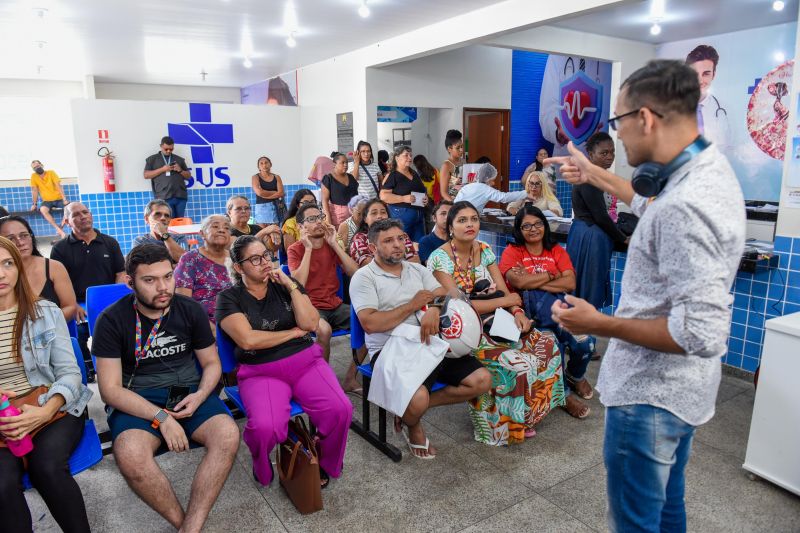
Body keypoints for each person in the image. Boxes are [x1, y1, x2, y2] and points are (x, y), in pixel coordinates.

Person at [547, 59, 746, 532]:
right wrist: (592, 175)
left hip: (650, 397)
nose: (616, 138)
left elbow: (699, 333)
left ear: (647, 118)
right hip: (683, 392)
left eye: (618, 122)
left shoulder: (687, 205)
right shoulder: (703, 170)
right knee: (667, 509)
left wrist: (599, 324)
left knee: (636, 523)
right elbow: (648, 203)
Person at [92, 244, 240, 532]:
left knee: (228, 434)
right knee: (131, 455)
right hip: (136, 398)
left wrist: (200, 396)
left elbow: (211, 364)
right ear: (130, 282)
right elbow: (110, 390)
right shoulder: (111, 320)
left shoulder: (190, 309)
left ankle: (192, 527)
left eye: (168, 277)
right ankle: (181, 523)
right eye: (150, 280)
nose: (163, 287)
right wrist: (162, 419)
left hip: (188, 392)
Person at [350, 218, 491, 458]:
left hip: (430, 342)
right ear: (373, 248)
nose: (398, 245)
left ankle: (407, 411)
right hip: (391, 349)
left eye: (400, 239)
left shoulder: (417, 269)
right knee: (418, 398)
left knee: (482, 380)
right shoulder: (364, 278)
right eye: (388, 241)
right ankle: (413, 422)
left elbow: (441, 295)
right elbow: (371, 324)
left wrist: (434, 310)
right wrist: (411, 306)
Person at [217, 236, 352, 486]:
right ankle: (261, 461)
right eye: (255, 259)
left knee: (340, 410)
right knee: (266, 428)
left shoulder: (284, 285)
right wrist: (292, 333)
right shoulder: (229, 298)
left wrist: (291, 284)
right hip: (260, 371)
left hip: (306, 363)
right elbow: (248, 340)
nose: (264, 263)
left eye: (266, 256)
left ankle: (324, 460)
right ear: (238, 267)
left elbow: (311, 324)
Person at [427, 201, 565, 445]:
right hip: (461, 331)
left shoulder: (485, 249)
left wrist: (517, 311)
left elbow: (503, 290)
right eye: (462, 220)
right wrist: (506, 299)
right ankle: (502, 427)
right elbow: (459, 308)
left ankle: (527, 415)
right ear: (450, 227)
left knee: (546, 344)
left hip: (494, 320)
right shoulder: (440, 259)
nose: (470, 224)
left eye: (474, 219)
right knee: (515, 362)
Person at [0, 236, 93, 533]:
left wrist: (43, 411)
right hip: (3, 416)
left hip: (51, 407)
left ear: (18, 267)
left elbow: (69, 373)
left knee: (47, 468)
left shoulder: (45, 312)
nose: (1, 274)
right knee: (1, 483)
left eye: (7, 264)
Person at [499, 205, 592, 419]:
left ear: (545, 225)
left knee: (586, 342)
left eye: (538, 223)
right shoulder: (512, 252)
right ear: (519, 230)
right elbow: (518, 281)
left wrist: (533, 282)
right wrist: (552, 274)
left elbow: (569, 282)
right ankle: (564, 395)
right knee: (553, 350)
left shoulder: (556, 250)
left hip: (561, 310)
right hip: (531, 317)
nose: (533, 229)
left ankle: (575, 375)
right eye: (526, 226)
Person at [51, 202, 126, 379]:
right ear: (67, 221)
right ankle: (88, 369)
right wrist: (73, 305)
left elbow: (120, 273)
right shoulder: (60, 249)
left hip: (106, 301)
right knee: (82, 330)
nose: (83, 216)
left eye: (85, 212)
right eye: (76, 214)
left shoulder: (109, 242)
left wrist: (115, 302)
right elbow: (57, 282)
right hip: (77, 302)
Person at [287, 204, 359, 362]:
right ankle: (323, 378)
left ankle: (351, 375)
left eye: (320, 217)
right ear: (301, 226)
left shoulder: (330, 245)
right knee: (324, 331)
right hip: (310, 306)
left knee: (368, 320)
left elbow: (355, 272)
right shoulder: (295, 249)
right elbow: (298, 284)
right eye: (312, 219)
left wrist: (334, 244)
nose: (319, 222)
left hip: (335, 305)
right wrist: (308, 249)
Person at [567, 132, 628, 309]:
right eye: (604, 153)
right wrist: (623, 238)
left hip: (590, 234)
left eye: (612, 152)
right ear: (591, 155)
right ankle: (581, 332)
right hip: (589, 236)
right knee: (587, 286)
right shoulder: (589, 177)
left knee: (587, 285)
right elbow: (600, 215)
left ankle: (583, 331)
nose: (609, 157)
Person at [0, 216, 77, 321]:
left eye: (24, 235)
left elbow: (70, 307)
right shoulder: (2, 275)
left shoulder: (54, 267)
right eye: (10, 238)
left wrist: (42, 326)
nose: (20, 243)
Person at [539, 54, 611, 159]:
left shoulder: (609, 58)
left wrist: (600, 133)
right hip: (566, 155)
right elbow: (547, 108)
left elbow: (612, 108)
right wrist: (558, 132)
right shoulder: (556, 56)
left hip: (598, 156)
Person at [174, 215, 233, 330]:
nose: (222, 230)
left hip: (237, 320)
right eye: (215, 226)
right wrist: (211, 330)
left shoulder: (235, 258)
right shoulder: (190, 259)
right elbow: (183, 302)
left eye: (226, 228)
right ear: (202, 234)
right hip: (203, 324)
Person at [685, 44, 731, 153]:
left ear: (713, 75)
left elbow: (729, 147)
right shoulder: (672, 109)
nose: (700, 80)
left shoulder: (724, 111)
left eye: (706, 74)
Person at [350, 198, 419, 266]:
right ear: (365, 219)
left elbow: (415, 262)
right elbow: (367, 264)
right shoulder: (360, 239)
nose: (379, 216)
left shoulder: (401, 235)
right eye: (374, 213)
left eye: (383, 212)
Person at [380, 145, 428, 242]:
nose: (410, 158)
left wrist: (425, 198)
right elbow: (383, 196)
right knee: (403, 246)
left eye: (411, 155)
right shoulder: (392, 175)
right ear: (397, 158)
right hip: (402, 217)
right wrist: (403, 198)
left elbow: (422, 190)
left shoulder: (414, 173)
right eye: (406, 155)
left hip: (418, 217)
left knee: (419, 246)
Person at [143, 136, 192, 218]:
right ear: (161, 146)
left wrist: (180, 170)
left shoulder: (179, 159)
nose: (169, 151)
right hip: (164, 197)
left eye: (171, 149)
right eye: (166, 149)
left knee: (180, 221)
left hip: (180, 196)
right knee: (168, 221)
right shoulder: (152, 159)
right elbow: (146, 175)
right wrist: (162, 169)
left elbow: (188, 176)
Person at [454, 163, 529, 213]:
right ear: (487, 179)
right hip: (466, 217)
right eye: (492, 180)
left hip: (455, 215)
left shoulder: (468, 186)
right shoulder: (485, 189)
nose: (494, 183)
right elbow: (504, 197)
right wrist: (526, 192)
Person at [29, 160, 68, 239]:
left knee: (69, 208)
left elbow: (58, 186)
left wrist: (64, 199)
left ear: (41, 165)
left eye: (38, 166)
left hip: (58, 199)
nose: (37, 168)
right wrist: (34, 204)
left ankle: (61, 228)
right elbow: (35, 190)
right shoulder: (34, 176)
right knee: (43, 210)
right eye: (34, 168)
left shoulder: (51, 173)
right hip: (47, 201)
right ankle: (59, 230)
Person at [322, 152, 359, 227]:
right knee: (339, 237)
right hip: (337, 217)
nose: (345, 165)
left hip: (353, 215)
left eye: (347, 163)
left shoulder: (350, 177)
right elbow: (324, 200)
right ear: (334, 164)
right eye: (342, 163)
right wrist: (328, 217)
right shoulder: (329, 178)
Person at [251, 156, 286, 226]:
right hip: (262, 208)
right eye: (261, 163)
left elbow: (281, 193)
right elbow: (259, 192)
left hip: (276, 206)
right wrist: (275, 193)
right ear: (258, 167)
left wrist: (265, 196)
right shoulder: (255, 177)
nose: (264, 165)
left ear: (270, 164)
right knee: (263, 232)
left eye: (266, 163)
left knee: (276, 231)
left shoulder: (277, 177)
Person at [417, 200, 452, 264]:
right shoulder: (426, 242)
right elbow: (433, 268)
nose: (447, 217)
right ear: (434, 218)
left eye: (451, 214)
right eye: (443, 213)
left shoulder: (459, 240)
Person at [439, 130, 464, 202]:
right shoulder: (446, 166)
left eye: (462, 146)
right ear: (449, 148)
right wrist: (454, 204)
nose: (461, 150)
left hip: (465, 200)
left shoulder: (463, 161)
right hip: (452, 202)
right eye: (458, 148)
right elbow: (443, 192)